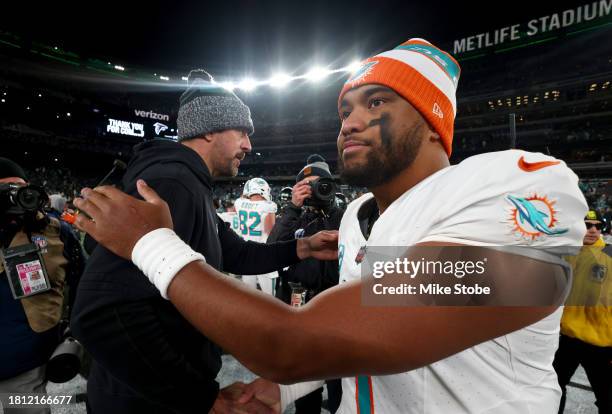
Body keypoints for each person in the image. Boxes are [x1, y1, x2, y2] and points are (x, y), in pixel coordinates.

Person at [73, 39, 588, 414]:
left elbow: (296, 343)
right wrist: (290, 389)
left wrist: (150, 243)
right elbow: (362, 335)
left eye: (377, 102)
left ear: (433, 122)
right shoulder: (356, 215)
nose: (349, 121)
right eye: (346, 108)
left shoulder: (514, 184)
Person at [70, 69, 336, 414]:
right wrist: (200, 398)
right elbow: (100, 312)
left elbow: (236, 252)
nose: (248, 145)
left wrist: (302, 247)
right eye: (241, 131)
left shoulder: (190, 184)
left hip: (152, 391)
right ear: (208, 130)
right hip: (145, 400)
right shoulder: (171, 183)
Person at [267, 156, 344, 412]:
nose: (313, 188)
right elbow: (271, 250)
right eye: (305, 184)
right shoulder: (293, 217)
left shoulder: (345, 216)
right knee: (305, 381)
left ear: (329, 185)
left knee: (338, 378)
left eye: (318, 183)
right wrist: (292, 208)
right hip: (299, 307)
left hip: (336, 308)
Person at [0, 158, 70, 414]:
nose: (13, 199)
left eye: (18, 190)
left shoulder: (56, 232)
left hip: (26, 362)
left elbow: (85, 282)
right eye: (4, 192)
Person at [553, 209, 611, 414]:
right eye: (587, 225)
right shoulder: (566, 254)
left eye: (598, 226)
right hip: (567, 338)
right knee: (554, 390)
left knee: (607, 398)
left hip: (602, 343)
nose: (593, 230)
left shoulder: (610, 254)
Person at [234, 178, 279, 295]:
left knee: (250, 296)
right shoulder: (268, 206)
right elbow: (270, 232)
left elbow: (243, 196)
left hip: (247, 254)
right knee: (270, 297)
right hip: (263, 254)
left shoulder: (239, 203)